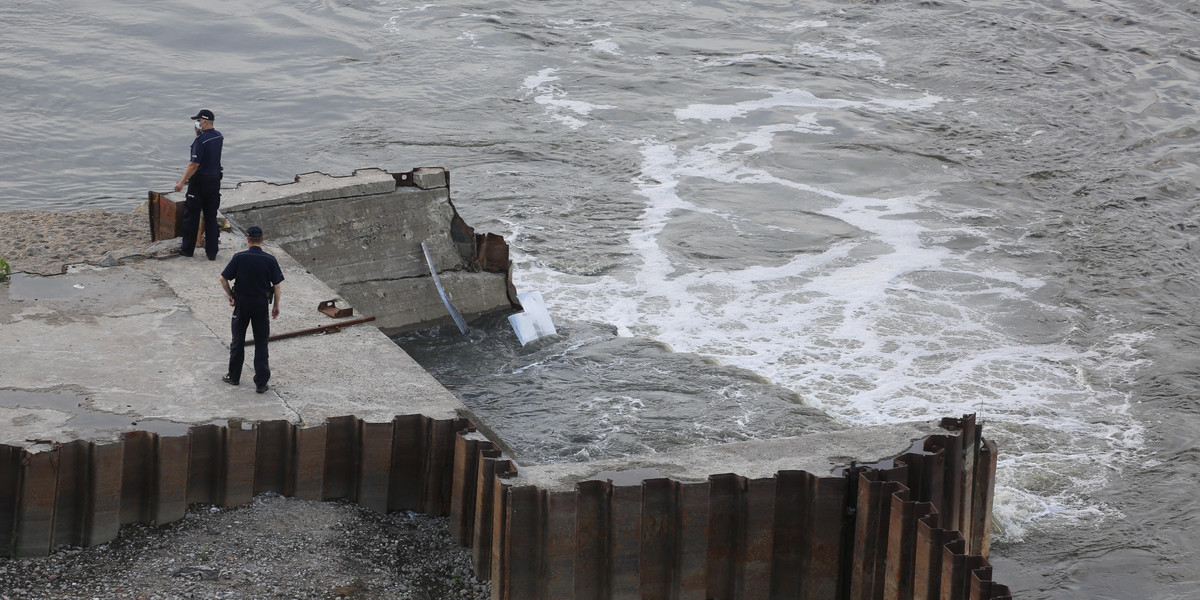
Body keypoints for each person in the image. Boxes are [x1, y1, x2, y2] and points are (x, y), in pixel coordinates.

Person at [219, 226, 284, 393]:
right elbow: (276, 286)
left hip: (242, 303)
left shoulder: (239, 257)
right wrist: (276, 305)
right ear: (262, 239)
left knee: (238, 340)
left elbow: (223, 278)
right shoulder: (270, 260)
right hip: (261, 304)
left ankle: (234, 377)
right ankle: (261, 383)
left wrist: (230, 295)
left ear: (247, 240)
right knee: (261, 342)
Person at [174, 109, 224, 260]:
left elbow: (194, 165)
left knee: (192, 216)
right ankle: (212, 252)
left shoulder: (201, 141)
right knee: (211, 216)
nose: (196, 124)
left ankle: (187, 249)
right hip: (215, 181)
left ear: (205, 122)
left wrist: (181, 182)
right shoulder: (218, 136)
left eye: (198, 121)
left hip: (200, 182)